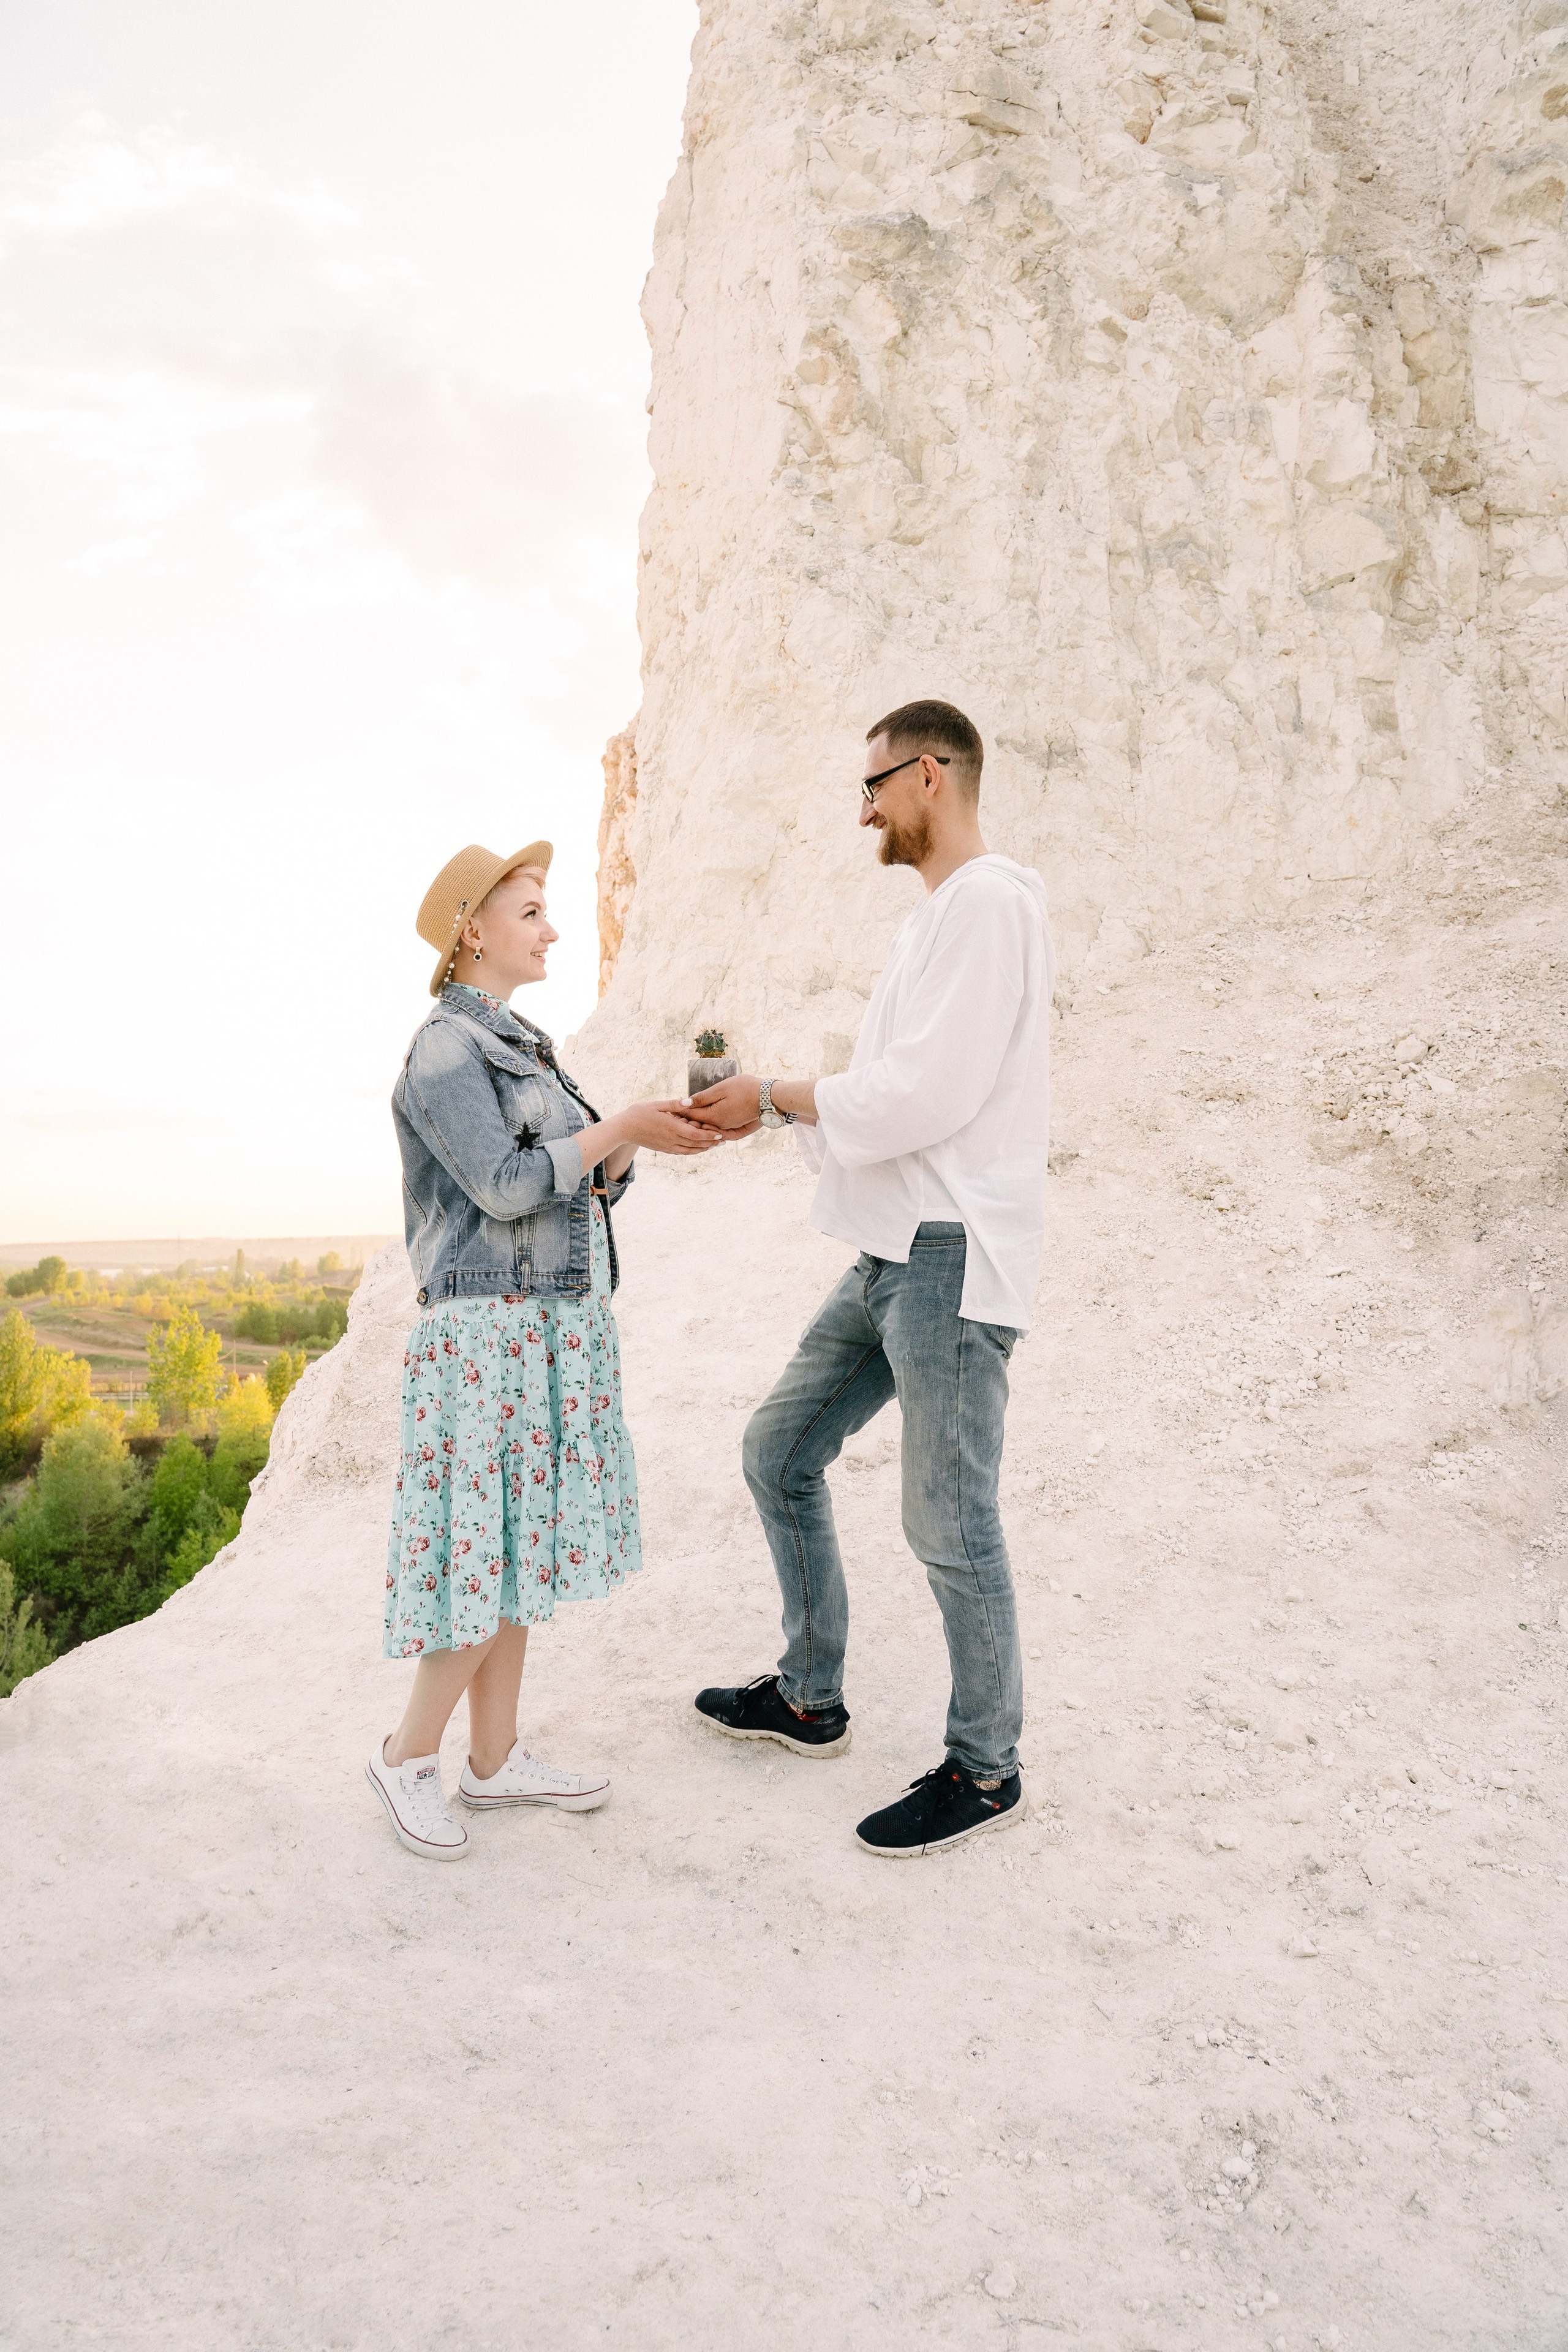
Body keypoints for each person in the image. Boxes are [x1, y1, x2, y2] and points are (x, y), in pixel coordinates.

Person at [684, 702, 1056, 1858]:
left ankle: (986, 1771)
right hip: (893, 1249)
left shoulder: (990, 907)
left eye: (877, 785)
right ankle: (809, 1697)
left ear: (932, 775)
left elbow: (926, 1096)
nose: (865, 810)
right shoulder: (938, 920)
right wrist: (776, 1109)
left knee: (950, 1523)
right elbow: (892, 1095)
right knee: (778, 1450)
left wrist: (785, 1094)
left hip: (946, 1258)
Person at [368, 841, 728, 1860]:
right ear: (473, 929)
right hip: (486, 1336)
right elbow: (507, 1186)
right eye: (532, 912)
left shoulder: (525, 1042)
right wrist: (614, 1126)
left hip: (543, 1328)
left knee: (517, 1552)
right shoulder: (446, 1048)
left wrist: (634, 1140)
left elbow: (581, 1182)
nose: (553, 928)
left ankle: (493, 1762)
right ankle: (405, 1757)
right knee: (479, 1558)